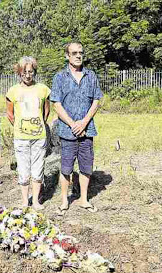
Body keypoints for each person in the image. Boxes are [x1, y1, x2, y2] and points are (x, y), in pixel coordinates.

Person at [50, 42, 103, 215]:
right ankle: (65, 200)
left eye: (80, 52)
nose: (78, 56)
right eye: (74, 53)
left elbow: (96, 100)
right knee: (66, 167)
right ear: (67, 56)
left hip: (87, 130)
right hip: (67, 131)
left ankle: (83, 199)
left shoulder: (91, 76)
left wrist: (84, 122)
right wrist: (73, 124)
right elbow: (56, 104)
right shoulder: (59, 77)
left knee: (86, 166)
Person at [6, 56, 51, 210]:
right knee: (24, 170)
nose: (27, 75)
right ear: (19, 73)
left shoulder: (43, 89)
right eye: (24, 72)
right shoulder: (13, 91)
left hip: (39, 137)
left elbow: (46, 111)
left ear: (34, 72)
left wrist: (39, 125)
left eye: (30, 71)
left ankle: (37, 201)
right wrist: (21, 127)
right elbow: (10, 114)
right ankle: (25, 201)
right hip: (21, 138)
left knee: (38, 169)